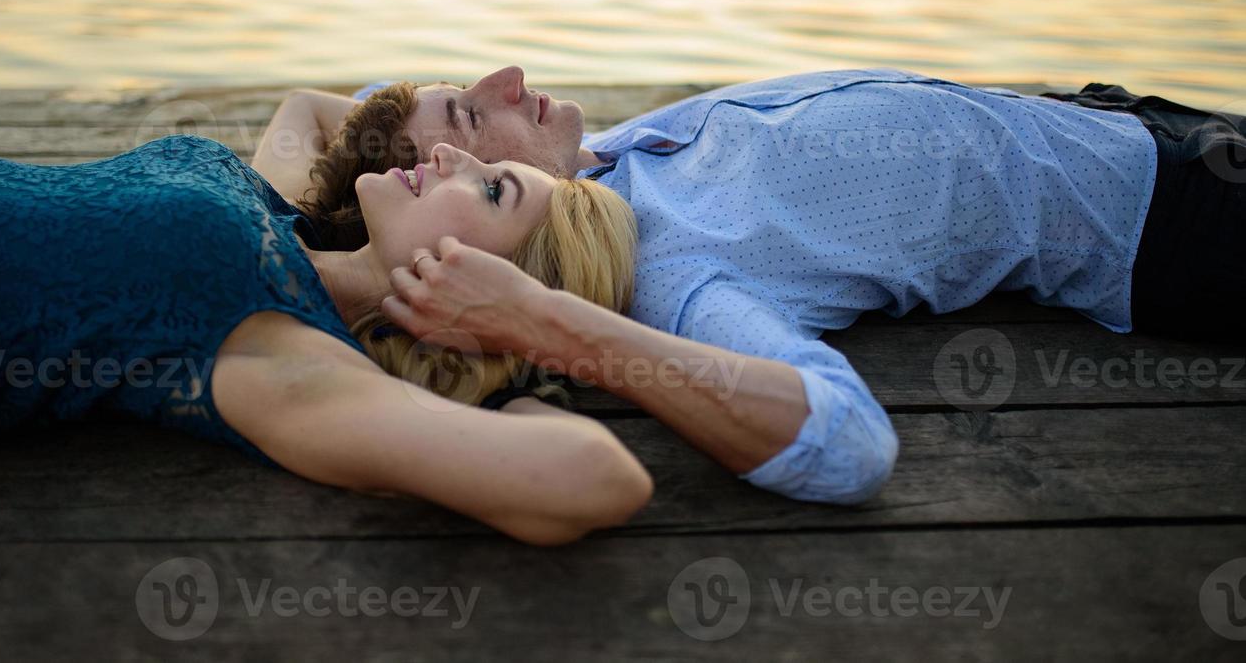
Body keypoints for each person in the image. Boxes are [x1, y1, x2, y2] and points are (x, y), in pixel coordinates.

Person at [273, 66, 1245, 506]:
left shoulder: (585, 167)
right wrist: (542, 321)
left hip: (1118, 122)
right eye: (459, 140)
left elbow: (315, 112)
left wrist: (312, 213)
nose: (499, 81)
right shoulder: (675, 271)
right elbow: (845, 443)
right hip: (1175, 222)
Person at [0, 128, 649, 546]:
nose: (454, 152)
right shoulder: (285, 220)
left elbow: (593, 479)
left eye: (494, 191)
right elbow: (309, 110)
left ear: (493, 287)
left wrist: (528, 327)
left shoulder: (283, 353)